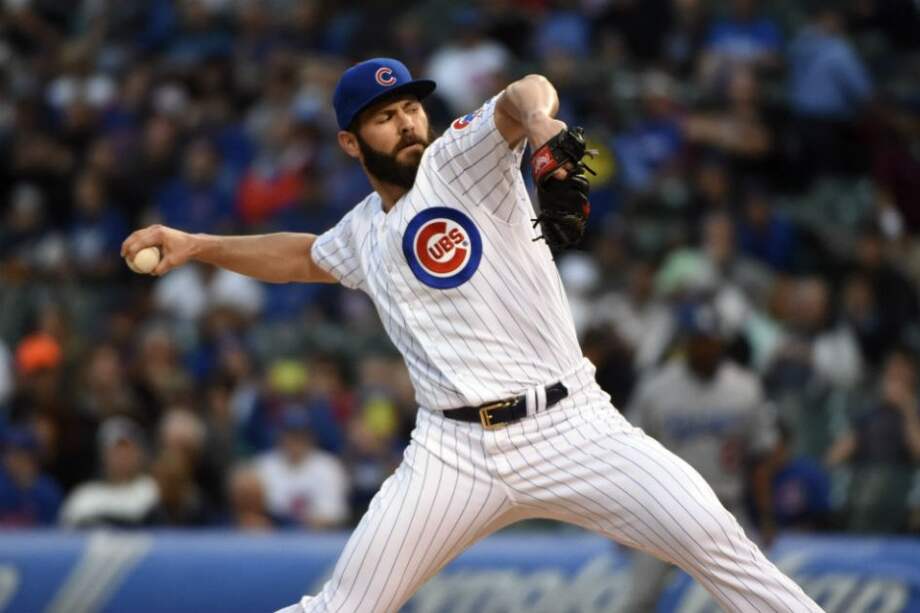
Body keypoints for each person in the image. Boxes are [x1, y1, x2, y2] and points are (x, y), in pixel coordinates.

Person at [123, 58, 822, 612]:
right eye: (384, 117)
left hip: (571, 424)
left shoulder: (458, 160)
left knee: (718, 544)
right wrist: (197, 244)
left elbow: (522, 93)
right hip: (452, 453)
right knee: (342, 606)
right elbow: (303, 256)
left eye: (410, 107)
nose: (406, 123)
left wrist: (542, 124)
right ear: (350, 142)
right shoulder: (362, 231)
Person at [622, 304, 780, 611]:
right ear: (687, 342)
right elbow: (631, 455)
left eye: (713, 340)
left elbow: (760, 457)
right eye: (700, 340)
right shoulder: (657, 388)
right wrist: (628, 515)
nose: (707, 347)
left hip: (726, 509)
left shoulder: (745, 387)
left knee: (760, 597)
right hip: (667, 510)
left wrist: (766, 515)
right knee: (638, 600)